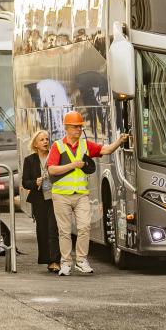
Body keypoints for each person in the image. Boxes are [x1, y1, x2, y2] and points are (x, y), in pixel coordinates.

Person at [47, 111, 128, 276]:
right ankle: (66, 262)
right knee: (64, 231)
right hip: (61, 195)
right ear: (67, 128)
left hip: (81, 195)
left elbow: (105, 150)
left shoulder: (85, 145)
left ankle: (81, 260)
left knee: (84, 226)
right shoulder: (58, 146)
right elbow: (52, 169)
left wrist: (119, 141)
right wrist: (73, 165)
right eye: (75, 127)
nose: (78, 129)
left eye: (80, 127)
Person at [22, 130, 60, 273]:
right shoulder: (30, 160)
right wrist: (35, 182)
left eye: (47, 139)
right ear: (35, 144)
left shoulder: (55, 156)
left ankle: (55, 260)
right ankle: (47, 259)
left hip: (55, 198)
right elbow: (25, 182)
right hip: (39, 200)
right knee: (42, 229)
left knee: (53, 229)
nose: (45, 142)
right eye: (42, 140)